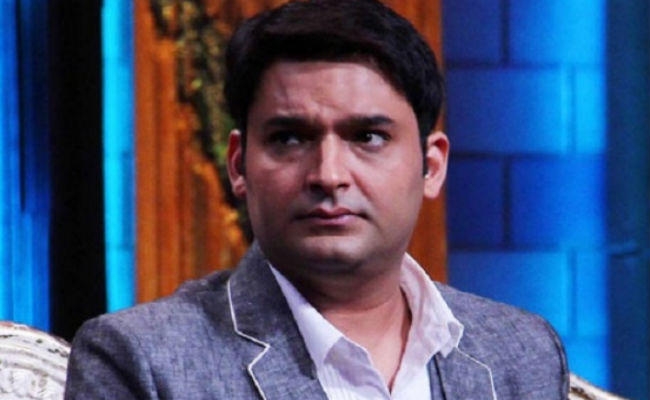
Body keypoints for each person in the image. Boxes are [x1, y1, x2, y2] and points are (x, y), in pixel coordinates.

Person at [65, 0, 569, 398]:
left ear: (431, 166)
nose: (329, 175)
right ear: (239, 165)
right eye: (289, 138)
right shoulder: (141, 360)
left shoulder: (521, 352)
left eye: (368, 137)